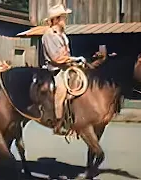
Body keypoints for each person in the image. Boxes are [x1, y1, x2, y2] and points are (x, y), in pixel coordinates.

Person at [41, 4, 85, 135]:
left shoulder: (62, 35)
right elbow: (56, 58)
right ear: (56, 20)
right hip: (56, 69)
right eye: (63, 18)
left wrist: (75, 62)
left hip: (67, 67)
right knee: (61, 89)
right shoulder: (49, 35)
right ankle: (59, 122)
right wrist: (73, 59)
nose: (65, 20)